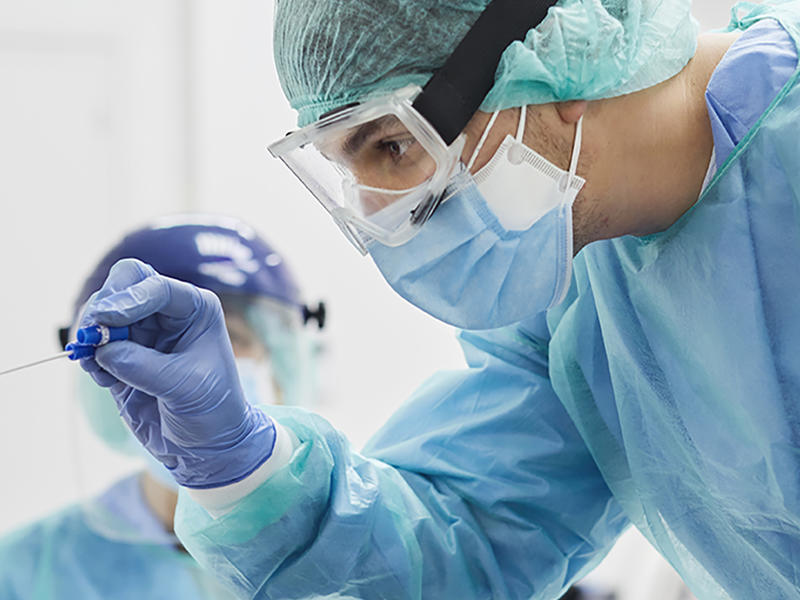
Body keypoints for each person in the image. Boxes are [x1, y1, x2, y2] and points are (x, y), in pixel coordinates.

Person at [72, 0, 800, 598]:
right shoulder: (576, 298)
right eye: (346, 166)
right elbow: (470, 539)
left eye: (392, 146)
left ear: (561, 57)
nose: (387, 213)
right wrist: (245, 465)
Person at [0, 216, 322, 599]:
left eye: (231, 337)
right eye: (156, 338)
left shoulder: (340, 550)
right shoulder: (29, 570)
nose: (192, 367)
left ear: (283, 362)